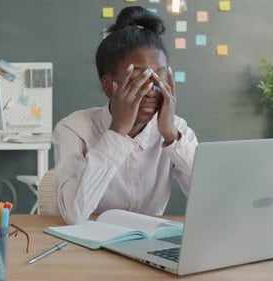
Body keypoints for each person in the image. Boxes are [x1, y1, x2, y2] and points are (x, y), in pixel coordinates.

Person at [52, 6, 199, 225]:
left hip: (147, 244)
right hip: (88, 246)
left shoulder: (176, 129)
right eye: (138, 79)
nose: (151, 90)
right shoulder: (73, 129)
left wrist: (171, 137)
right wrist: (118, 132)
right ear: (108, 86)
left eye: (159, 78)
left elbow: (215, 197)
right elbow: (74, 214)